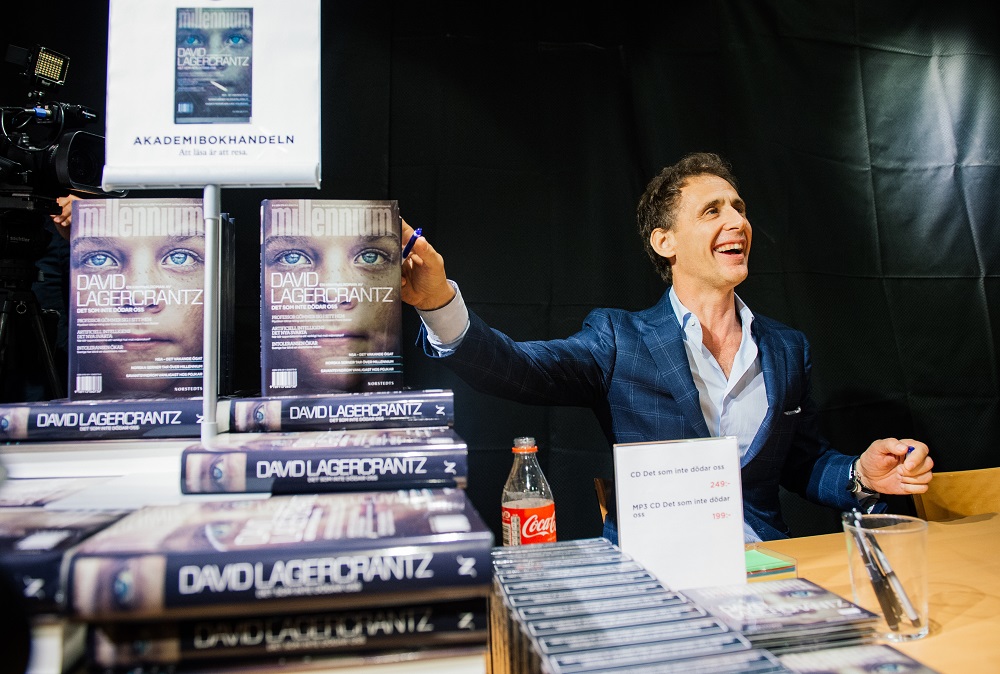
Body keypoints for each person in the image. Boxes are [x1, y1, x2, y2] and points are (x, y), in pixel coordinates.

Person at [399, 152, 934, 542]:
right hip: (656, 575)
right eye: (712, 211)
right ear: (665, 241)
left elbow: (802, 461)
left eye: (739, 208)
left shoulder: (788, 348)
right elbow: (515, 368)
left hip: (768, 571)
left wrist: (860, 474)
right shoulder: (618, 339)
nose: (737, 221)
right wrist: (438, 301)